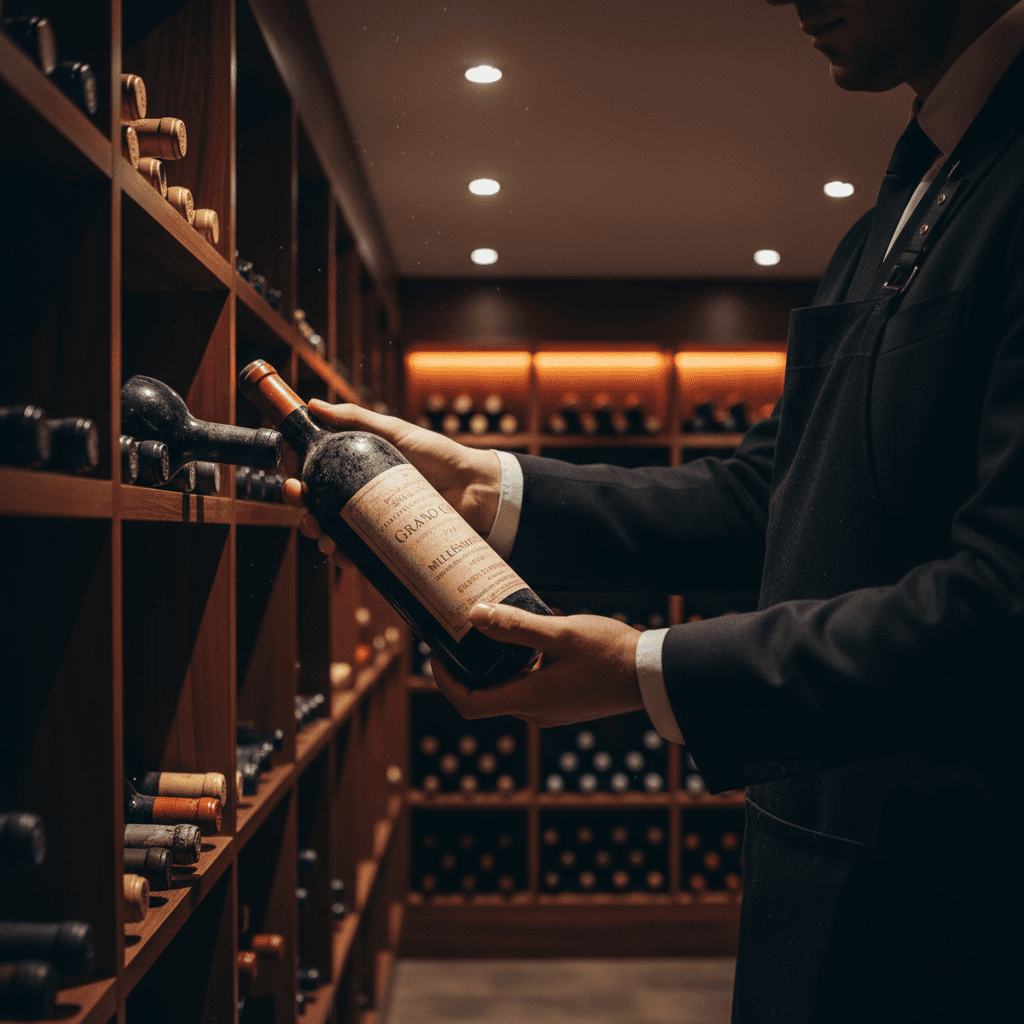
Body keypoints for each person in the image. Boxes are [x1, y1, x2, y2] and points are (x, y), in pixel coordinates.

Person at [284, 1, 1024, 1019]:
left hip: (960, 922)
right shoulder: (895, 209)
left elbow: (1002, 607)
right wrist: (486, 485)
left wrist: (646, 670)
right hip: (819, 884)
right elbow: (766, 492)